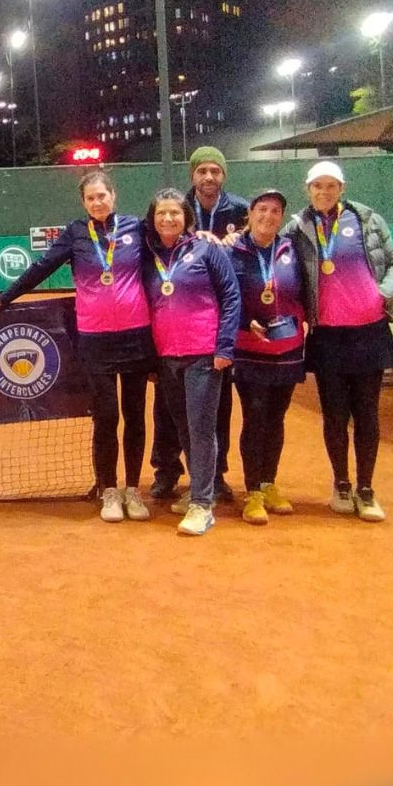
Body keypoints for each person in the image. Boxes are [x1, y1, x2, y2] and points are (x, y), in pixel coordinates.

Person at [0, 169, 155, 521]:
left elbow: (171, 247)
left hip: (135, 337)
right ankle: (108, 490)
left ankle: (133, 490)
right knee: (106, 416)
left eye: (102, 195)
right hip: (95, 340)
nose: (97, 202)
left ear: (113, 196)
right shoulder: (76, 233)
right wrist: (5, 297)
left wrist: (207, 238)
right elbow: (42, 267)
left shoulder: (137, 228)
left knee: (135, 416)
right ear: (83, 202)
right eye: (91, 198)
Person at [284, 161, 393, 522]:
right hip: (327, 337)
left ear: (342, 188)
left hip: (369, 332)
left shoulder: (367, 220)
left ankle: (366, 489)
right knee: (335, 416)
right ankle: (341, 484)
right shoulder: (297, 227)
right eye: (317, 186)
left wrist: (384, 293)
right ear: (308, 189)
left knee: (367, 414)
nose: (324, 192)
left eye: (331, 186)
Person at [141, 187, 240, 536]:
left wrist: (224, 347)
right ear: (152, 219)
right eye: (161, 213)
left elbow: (231, 295)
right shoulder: (148, 254)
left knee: (200, 428)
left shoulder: (206, 249)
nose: (168, 218)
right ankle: (200, 489)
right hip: (167, 355)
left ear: (187, 218)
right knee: (182, 427)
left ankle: (202, 504)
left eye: (175, 213)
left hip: (203, 353)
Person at [151, 146, 247, 503]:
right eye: (202, 171)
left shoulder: (241, 210)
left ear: (223, 175)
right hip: (175, 331)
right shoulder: (177, 207)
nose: (208, 177)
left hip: (216, 327)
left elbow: (258, 246)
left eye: (215, 171)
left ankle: (213, 476)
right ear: (192, 175)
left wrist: (236, 243)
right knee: (167, 408)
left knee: (216, 408)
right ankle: (166, 470)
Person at [228, 191, 307, 525]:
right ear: (250, 213)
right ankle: (252, 493)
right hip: (249, 349)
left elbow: (305, 291)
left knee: (276, 418)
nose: (268, 216)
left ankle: (268, 483)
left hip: (287, 348)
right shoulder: (232, 250)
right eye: (262, 209)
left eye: (275, 210)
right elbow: (224, 296)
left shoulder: (292, 249)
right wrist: (246, 322)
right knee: (256, 416)